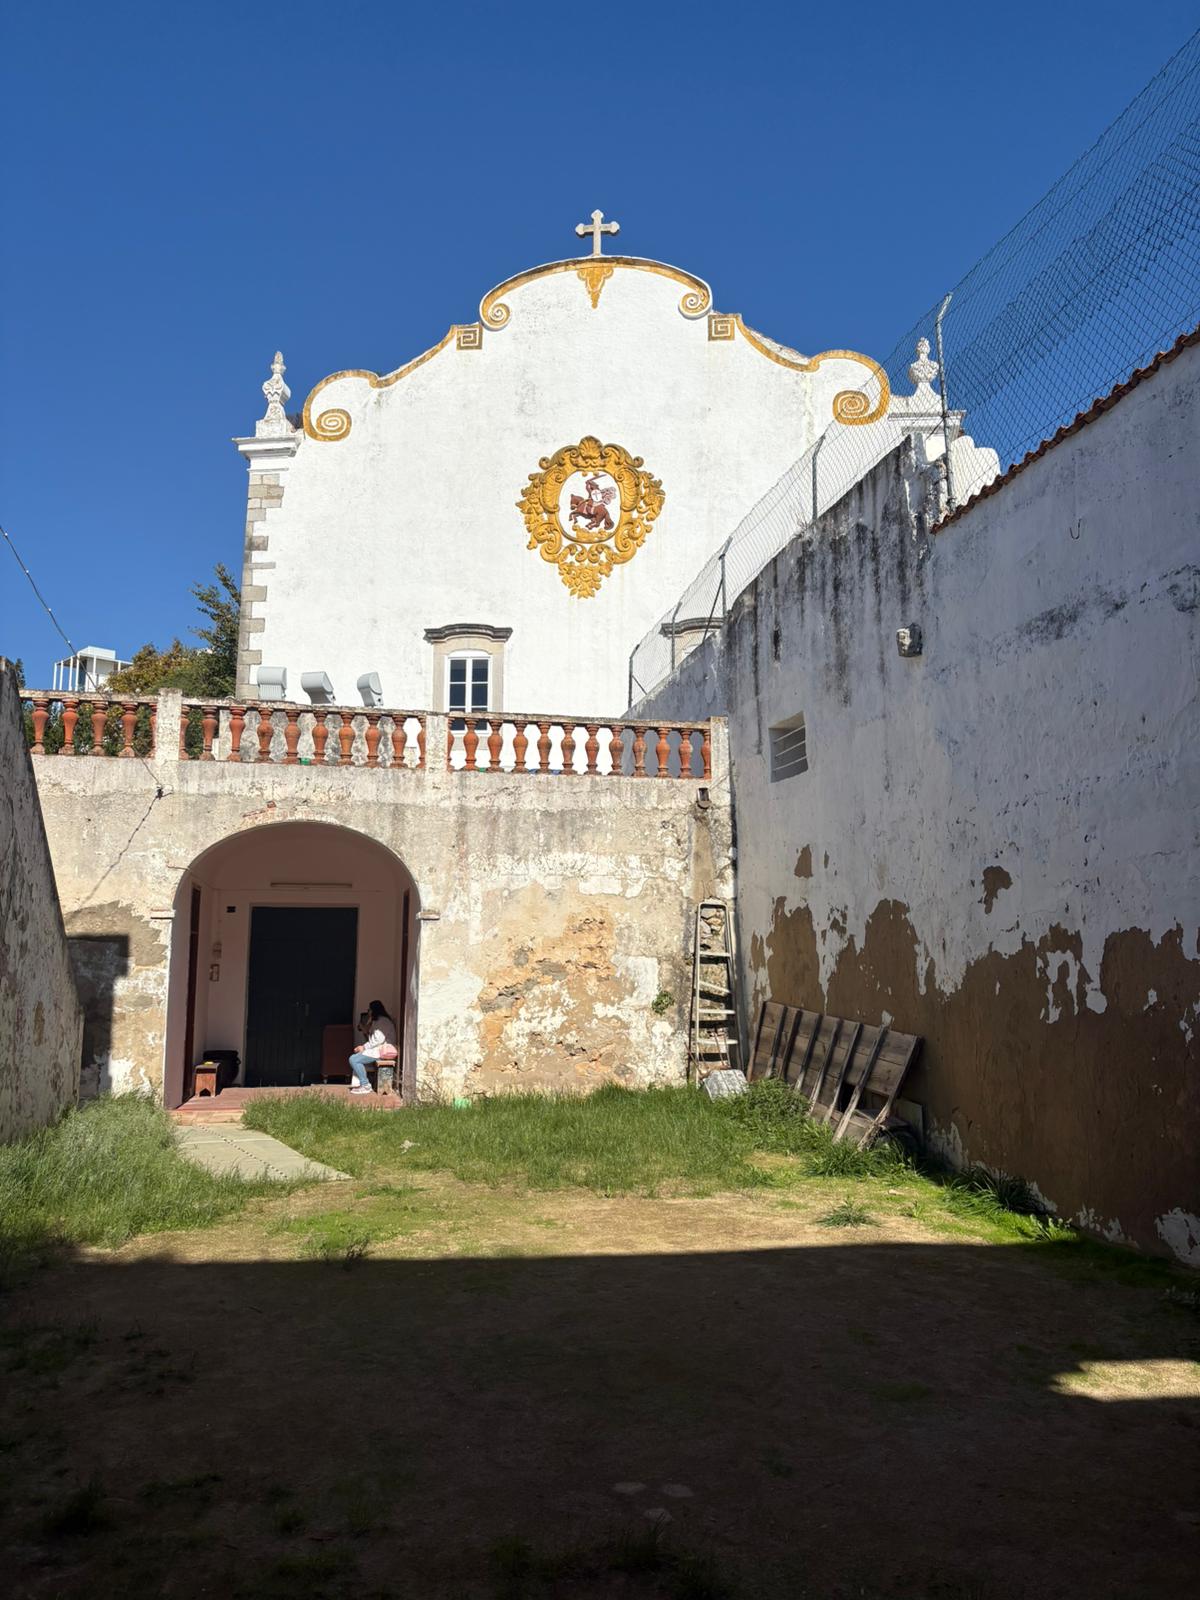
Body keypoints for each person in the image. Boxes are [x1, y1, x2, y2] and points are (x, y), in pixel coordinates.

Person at [348, 1000, 396, 1095]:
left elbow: (377, 1040)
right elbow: (371, 1037)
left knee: (354, 1059)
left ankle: (365, 1085)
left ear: (374, 1010)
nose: (368, 1011)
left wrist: (363, 1047)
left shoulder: (383, 1021)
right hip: (378, 1050)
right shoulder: (378, 1021)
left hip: (383, 1051)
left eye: (369, 1009)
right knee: (356, 1057)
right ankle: (362, 1084)